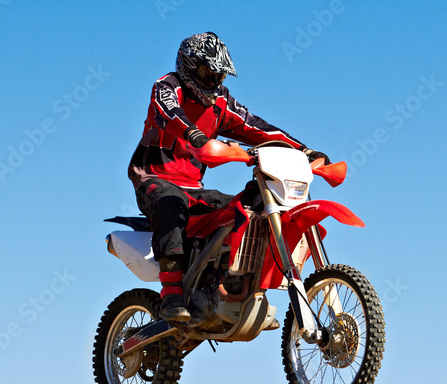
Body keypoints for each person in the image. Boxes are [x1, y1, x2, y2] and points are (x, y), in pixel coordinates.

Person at [128, 32, 328, 321]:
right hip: (153, 179)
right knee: (171, 202)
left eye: (218, 74)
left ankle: (236, 285)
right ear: (188, 66)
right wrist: (194, 134)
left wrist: (304, 150)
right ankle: (171, 294)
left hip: (194, 188)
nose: (213, 80)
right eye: (206, 72)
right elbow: (169, 112)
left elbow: (255, 127)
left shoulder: (221, 101)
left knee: (245, 206)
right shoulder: (168, 86)